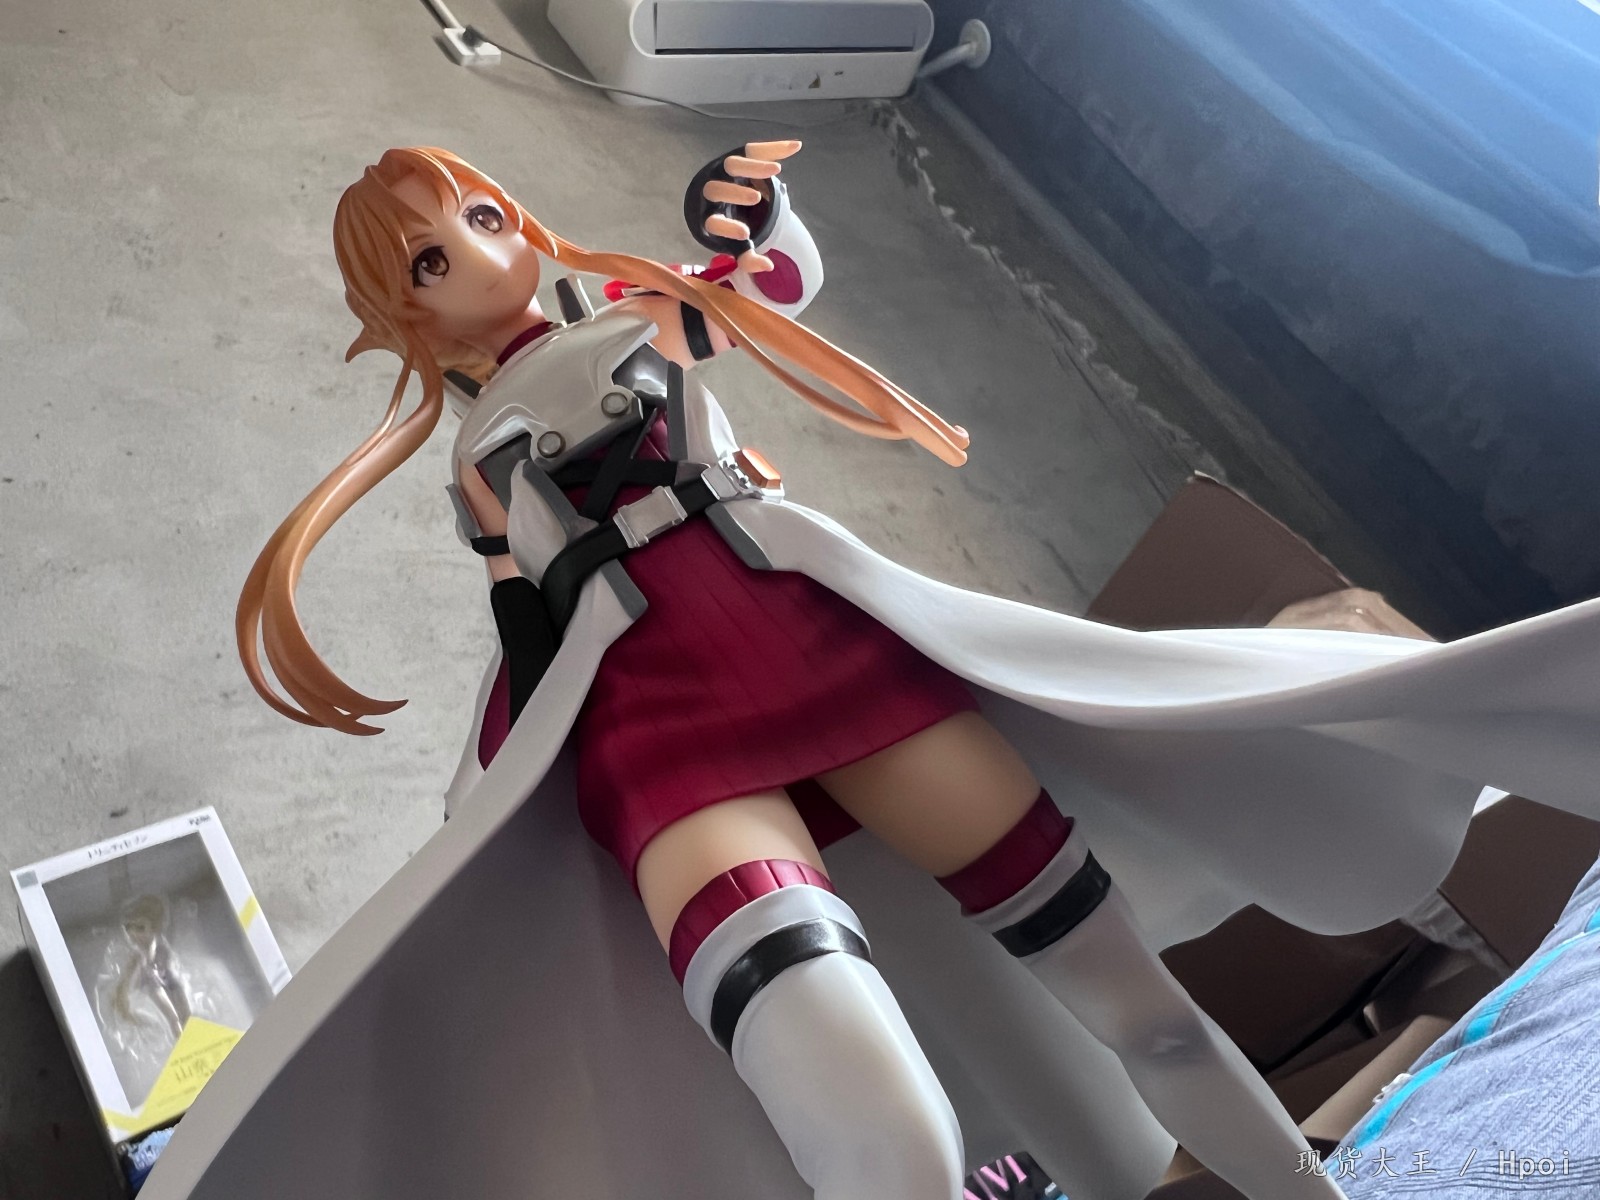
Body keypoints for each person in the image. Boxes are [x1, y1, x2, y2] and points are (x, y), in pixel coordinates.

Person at [236, 143, 1600, 1200]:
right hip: (661, 739)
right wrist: (505, 813)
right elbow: (529, 634)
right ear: (406, 320)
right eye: (432, 259)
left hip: (826, 658)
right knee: (885, 1138)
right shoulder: (481, 466)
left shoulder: (641, 322)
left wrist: (752, 217)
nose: (484, 253)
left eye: (485, 214)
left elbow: (772, 289)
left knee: (1147, 1013)